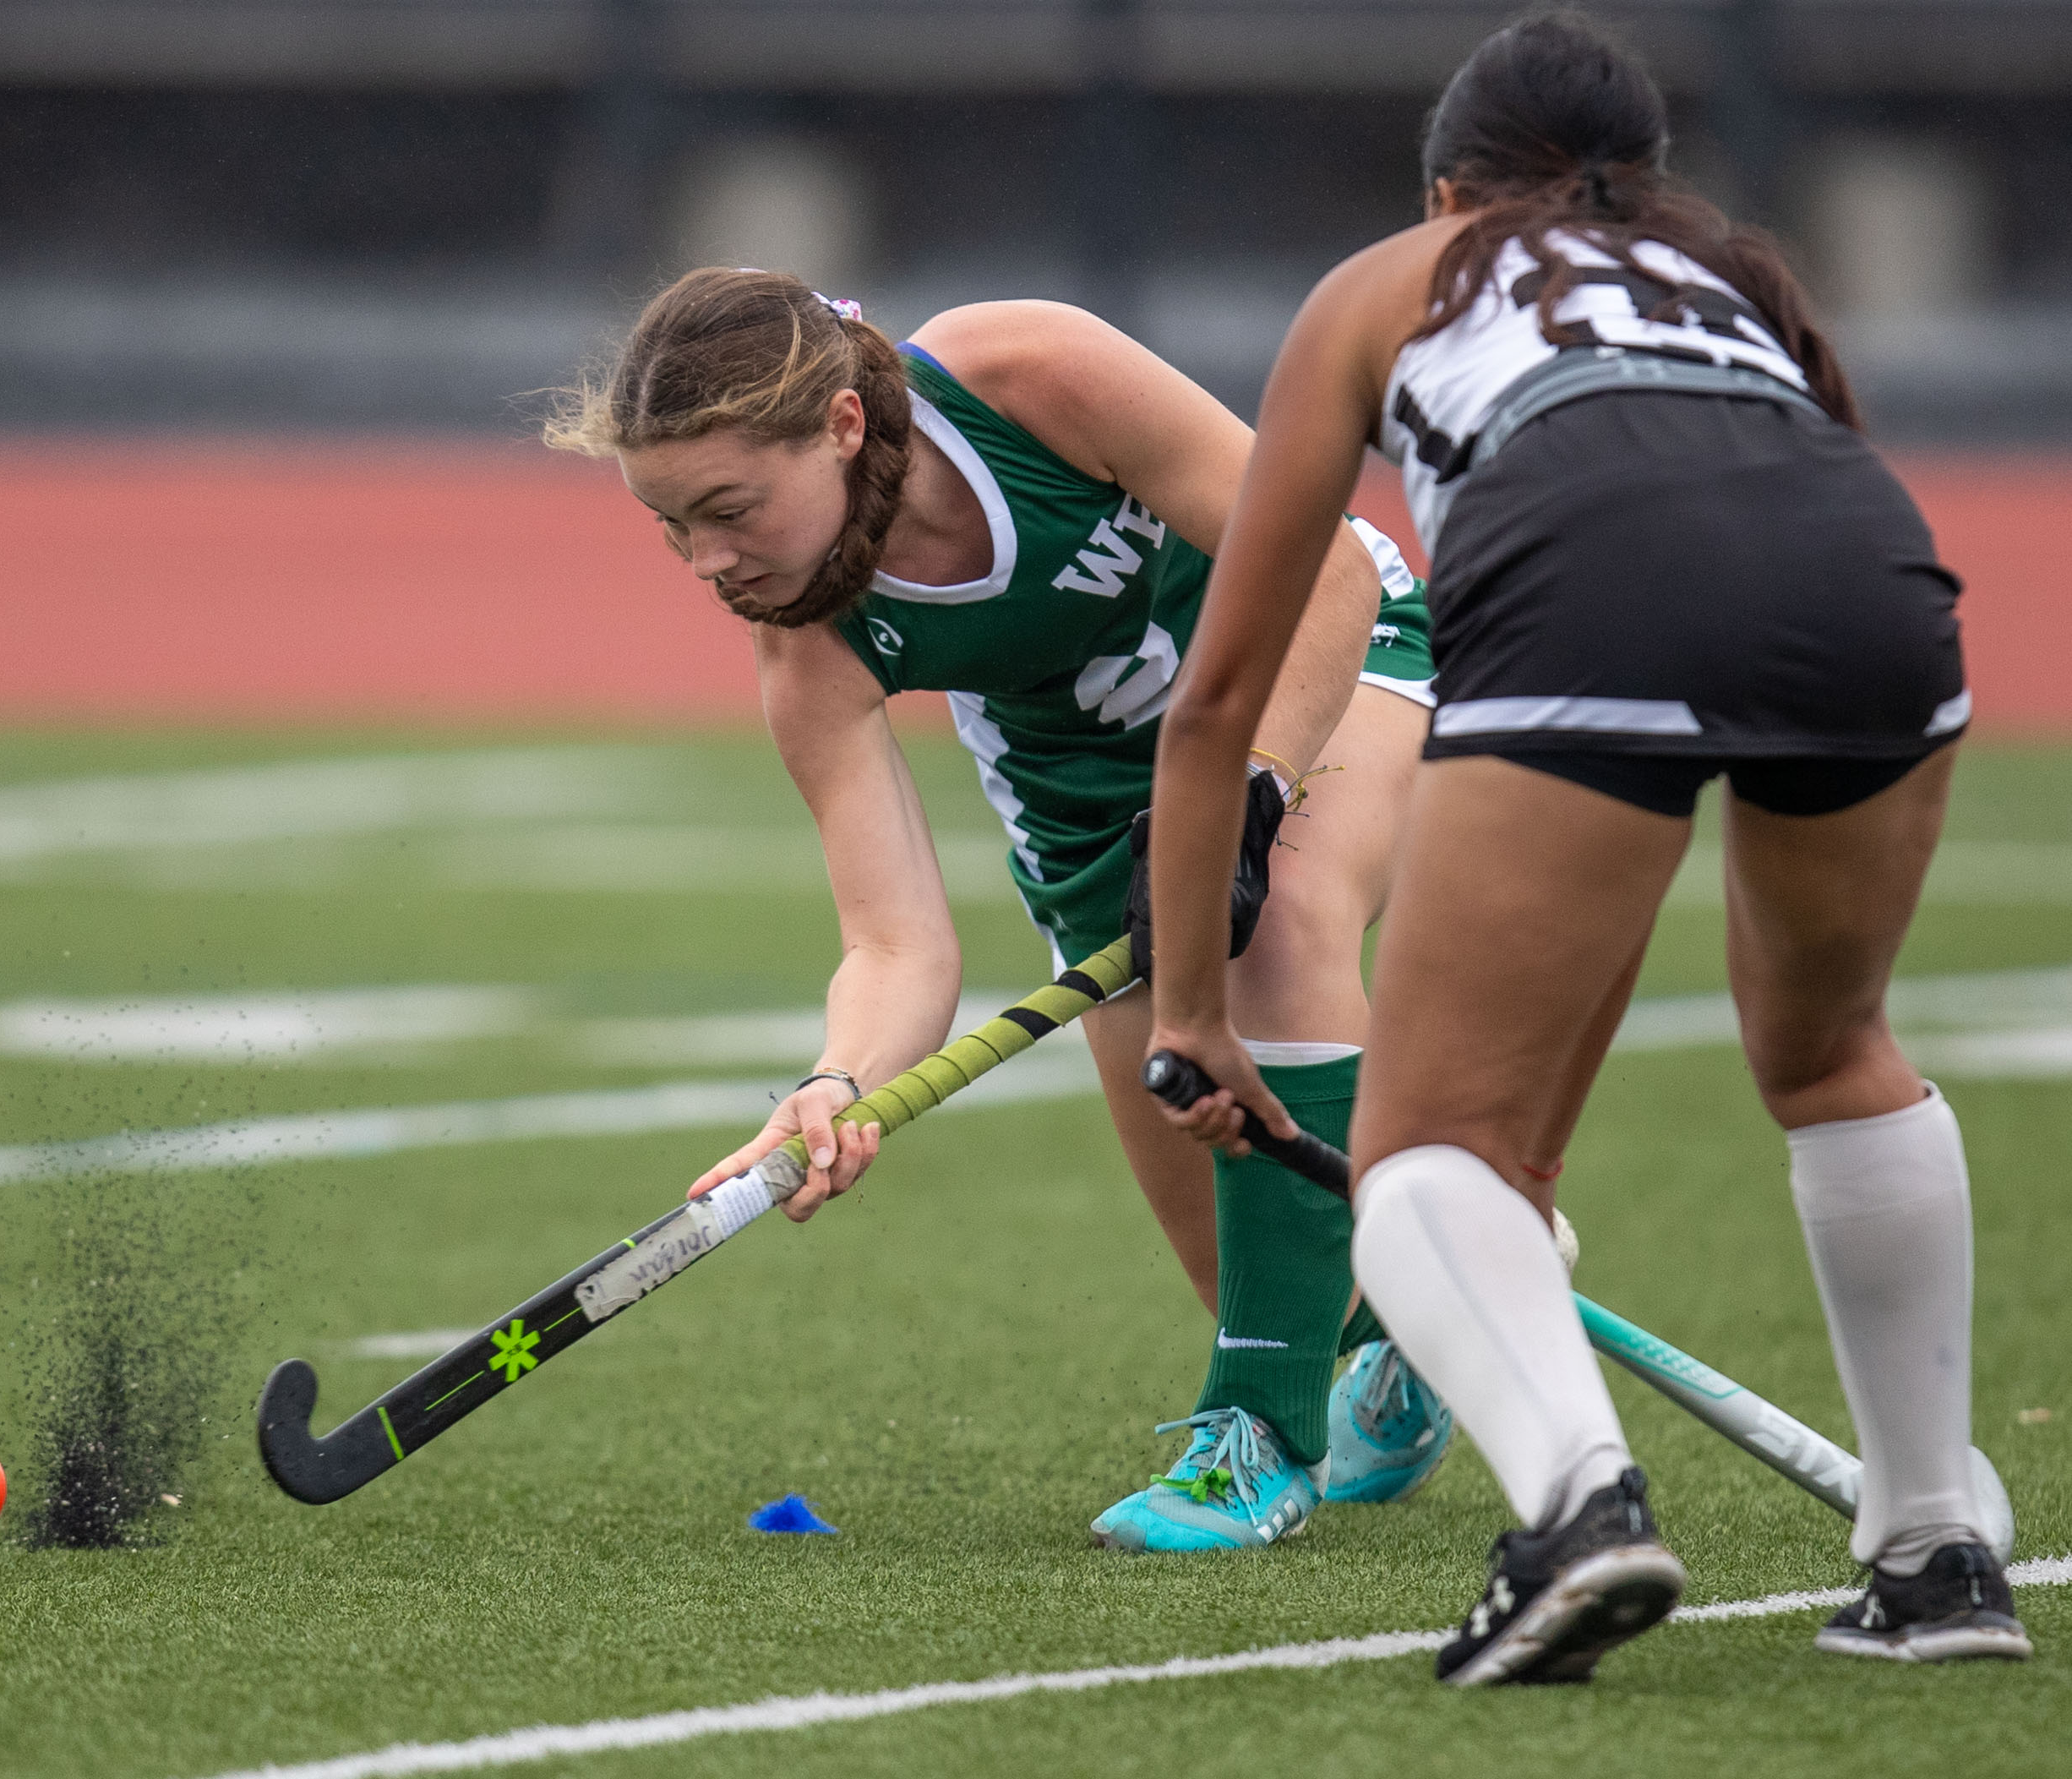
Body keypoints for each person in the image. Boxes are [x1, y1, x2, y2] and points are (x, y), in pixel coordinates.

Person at [1142, 10, 2030, 1684]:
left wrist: (1191, 1011)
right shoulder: (1742, 289)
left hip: (1591, 578)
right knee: (1835, 1053)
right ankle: (1933, 1552)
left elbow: (1214, 710)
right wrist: (1524, 1136)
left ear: (1440, 187)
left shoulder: (1383, 288)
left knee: (1418, 1151)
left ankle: (1574, 1508)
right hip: (1871, 582)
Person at [546, 268, 1449, 1553]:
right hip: (1087, 804)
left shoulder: (1024, 372)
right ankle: (1427, 1303)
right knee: (1240, 1235)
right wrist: (834, 1079)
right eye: (672, 525)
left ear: (843, 427)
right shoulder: (810, 650)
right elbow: (895, 940)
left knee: (1282, 921)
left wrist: (1246, 792)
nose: (707, 562)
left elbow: (1313, 571)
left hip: (1311, 665)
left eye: (728, 509)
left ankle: (1253, 1437)